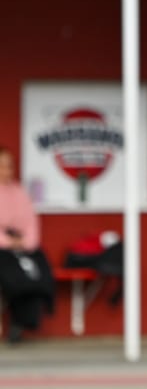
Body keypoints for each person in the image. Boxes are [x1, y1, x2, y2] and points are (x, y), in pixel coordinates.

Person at [0, 145, 54, 344]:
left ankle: (23, 323)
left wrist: (26, 242)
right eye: (2, 166)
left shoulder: (20, 192)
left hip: (23, 245)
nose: (6, 170)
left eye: (9, 166)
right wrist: (8, 242)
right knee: (13, 275)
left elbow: (31, 222)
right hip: (2, 248)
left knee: (39, 270)